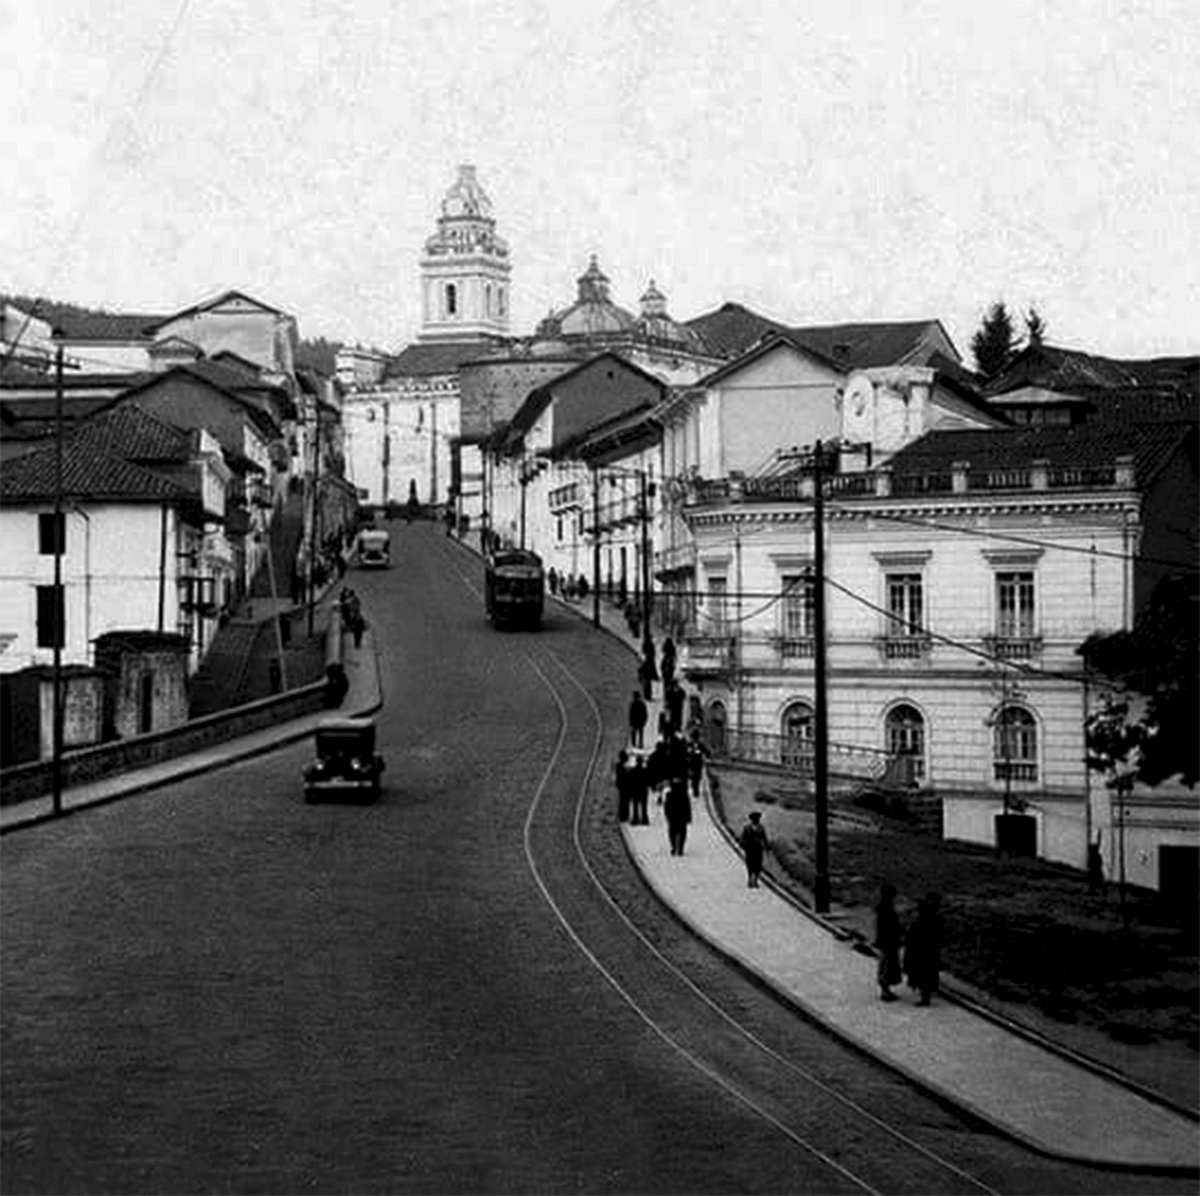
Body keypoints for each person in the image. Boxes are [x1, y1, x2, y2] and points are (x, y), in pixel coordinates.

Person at [903, 892, 943, 1006]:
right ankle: (928, 994)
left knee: (922, 975)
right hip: (931, 953)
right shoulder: (934, 922)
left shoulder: (917, 924)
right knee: (929, 973)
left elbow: (910, 939)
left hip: (919, 954)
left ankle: (925, 997)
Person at [874, 883, 904, 1001]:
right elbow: (890, 926)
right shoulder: (887, 909)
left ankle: (885, 989)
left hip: (885, 940)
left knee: (885, 963)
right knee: (888, 964)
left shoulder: (883, 908)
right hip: (889, 941)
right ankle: (885, 991)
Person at [663, 774, 692, 856]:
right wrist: (688, 817)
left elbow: (667, 807)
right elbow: (687, 807)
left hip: (673, 817)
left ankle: (674, 847)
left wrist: (667, 816)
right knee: (682, 832)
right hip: (682, 817)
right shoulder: (684, 795)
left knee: (672, 832)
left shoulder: (670, 795)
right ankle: (680, 848)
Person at [739, 810, 768, 887]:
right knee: (750, 865)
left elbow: (764, 838)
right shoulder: (747, 828)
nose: (756, 820)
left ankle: (755, 880)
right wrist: (743, 845)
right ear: (751, 819)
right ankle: (750, 879)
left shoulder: (761, 828)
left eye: (757, 818)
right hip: (750, 849)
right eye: (754, 818)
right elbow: (743, 838)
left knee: (758, 865)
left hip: (758, 849)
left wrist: (766, 847)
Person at [686, 730, 710, 798]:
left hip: (697, 764)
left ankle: (695, 791)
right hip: (691, 764)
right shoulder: (689, 745)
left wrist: (706, 756)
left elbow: (707, 752)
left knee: (696, 779)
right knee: (692, 778)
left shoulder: (700, 745)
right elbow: (685, 752)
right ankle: (693, 789)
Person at [627, 753, 649, 825]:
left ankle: (635, 819)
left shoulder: (633, 771)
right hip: (643, 790)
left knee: (635, 806)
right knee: (644, 806)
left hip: (635, 790)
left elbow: (630, 781)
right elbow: (648, 780)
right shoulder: (645, 771)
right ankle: (644, 819)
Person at [614, 750, 632, 823]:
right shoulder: (623, 766)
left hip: (622, 785)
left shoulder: (619, 766)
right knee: (625, 801)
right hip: (625, 785)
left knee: (623, 800)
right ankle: (624, 815)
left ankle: (623, 815)